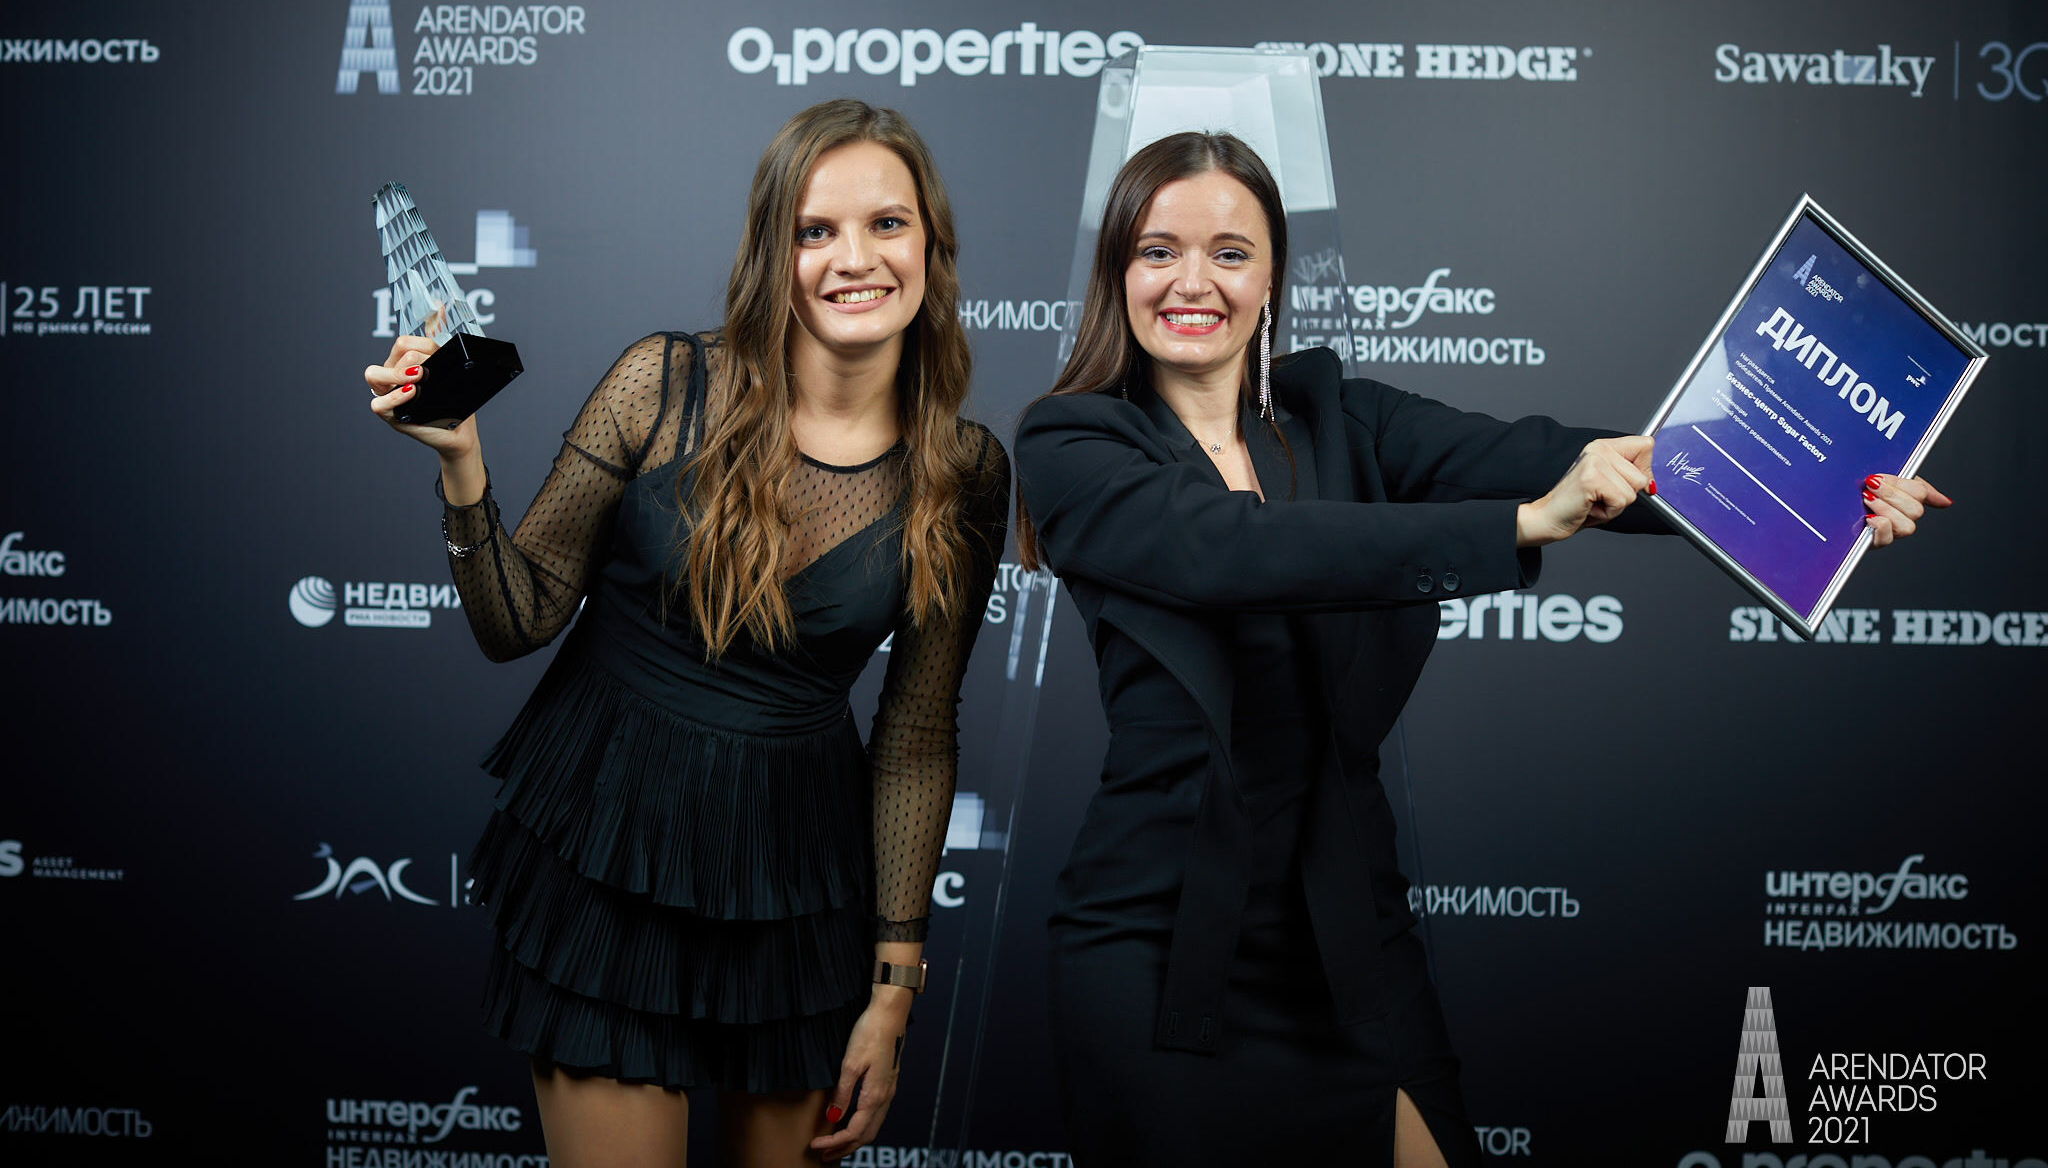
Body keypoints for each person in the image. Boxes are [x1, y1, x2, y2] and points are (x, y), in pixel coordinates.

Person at [1011, 131, 1949, 1167]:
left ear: (1271, 276)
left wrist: (1828, 495)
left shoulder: (1338, 415)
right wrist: (1517, 526)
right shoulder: (1071, 442)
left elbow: (1552, 457)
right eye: (1158, 250)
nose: (1193, 281)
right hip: (1158, 944)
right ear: (1118, 271)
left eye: (1229, 253)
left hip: (1347, 936)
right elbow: (1236, 550)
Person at [364, 100, 1011, 1166]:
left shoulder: (965, 472)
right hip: (609, 855)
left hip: (795, 890)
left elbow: (914, 734)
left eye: (887, 224)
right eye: (814, 231)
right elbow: (517, 619)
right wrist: (460, 464)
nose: (855, 258)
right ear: (772, 255)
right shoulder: (662, 385)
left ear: (931, 246)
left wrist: (895, 986)